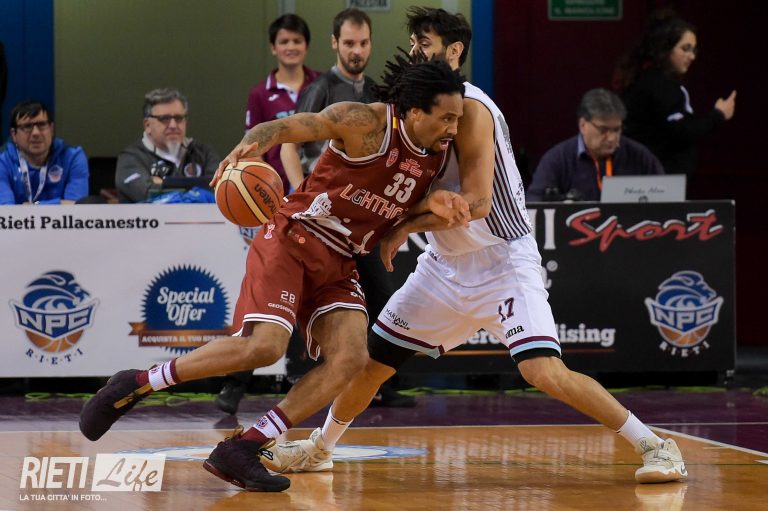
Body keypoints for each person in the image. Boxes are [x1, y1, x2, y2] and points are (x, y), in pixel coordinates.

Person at [264, 7, 688, 486]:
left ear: (454, 51)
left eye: (424, 43)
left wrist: (401, 227)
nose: (414, 50)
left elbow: (478, 202)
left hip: (502, 261)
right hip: (444, 265)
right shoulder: (412, 106)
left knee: (543, 371)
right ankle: (321, 448)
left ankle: (656, 444)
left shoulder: (471, 108)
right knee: (371, 365)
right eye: (412, 42)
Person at [79, 58, 467, 493]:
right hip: (294, 236)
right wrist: (248, 145)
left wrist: (421, 215)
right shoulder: (367, 123)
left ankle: (245, 446)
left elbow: (398, 203)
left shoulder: (437, 155)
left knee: (351, 359)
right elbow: (286, 128)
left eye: (458, 119)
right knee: (264, 347)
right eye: (446, 118)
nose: (454, 128)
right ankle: (137, 382)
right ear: (414, 111)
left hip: (340, 260)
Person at [216, 7, 413, 415]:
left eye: (363, 43)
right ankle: (234, 385)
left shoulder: (377, 92)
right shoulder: (321, 88)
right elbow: (290, 145)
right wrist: (298, 191)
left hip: (355, 220)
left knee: (382, 297)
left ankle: (382, 384)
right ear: (335, 44)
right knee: (275, 311)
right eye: (349, 43)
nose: (357, 50)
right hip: (314, 215)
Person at [614, 10, 736, 177]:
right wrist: (718, 115)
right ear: (665, 49)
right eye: (685, 49)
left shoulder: (653, 81)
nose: (691, 56)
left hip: (658, 177)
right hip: (657, 181)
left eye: (694, 50)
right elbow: (682, 131)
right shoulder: (659, 85)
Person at [526, 88, 664, 202]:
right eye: (603, 130)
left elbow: (665, 196)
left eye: (616, 129)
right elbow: (534, 204)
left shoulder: (640, 157)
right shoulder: (558, 159)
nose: (611, 138)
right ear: (583, 125)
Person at [244, 14, 320, 193]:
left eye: (297, 41)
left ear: (307, 46)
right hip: (278, 190)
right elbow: (253, 150)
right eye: (284, 42)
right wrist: (266, 187)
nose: (291, 47)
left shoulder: (322, 85)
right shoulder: (259, 94)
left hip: (321, 186)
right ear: (273, 47)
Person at [115, 88, 220, 203]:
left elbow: (220, 190)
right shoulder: (131, 158)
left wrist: (165, 183)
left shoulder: (204, 153)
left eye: (178, 118)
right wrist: (199, 190)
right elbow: (147, 194)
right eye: (164, 119)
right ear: (147, 125)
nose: (173, 125)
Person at [0, 100, 89, 204]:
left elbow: (77, 207)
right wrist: (60, 203)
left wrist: (32, 207)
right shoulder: (3, 162)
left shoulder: (72, 157)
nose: (36, 133)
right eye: (27, 126)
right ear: (14, 134)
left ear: (51, 129)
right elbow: (5, 210)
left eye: (42, 125)